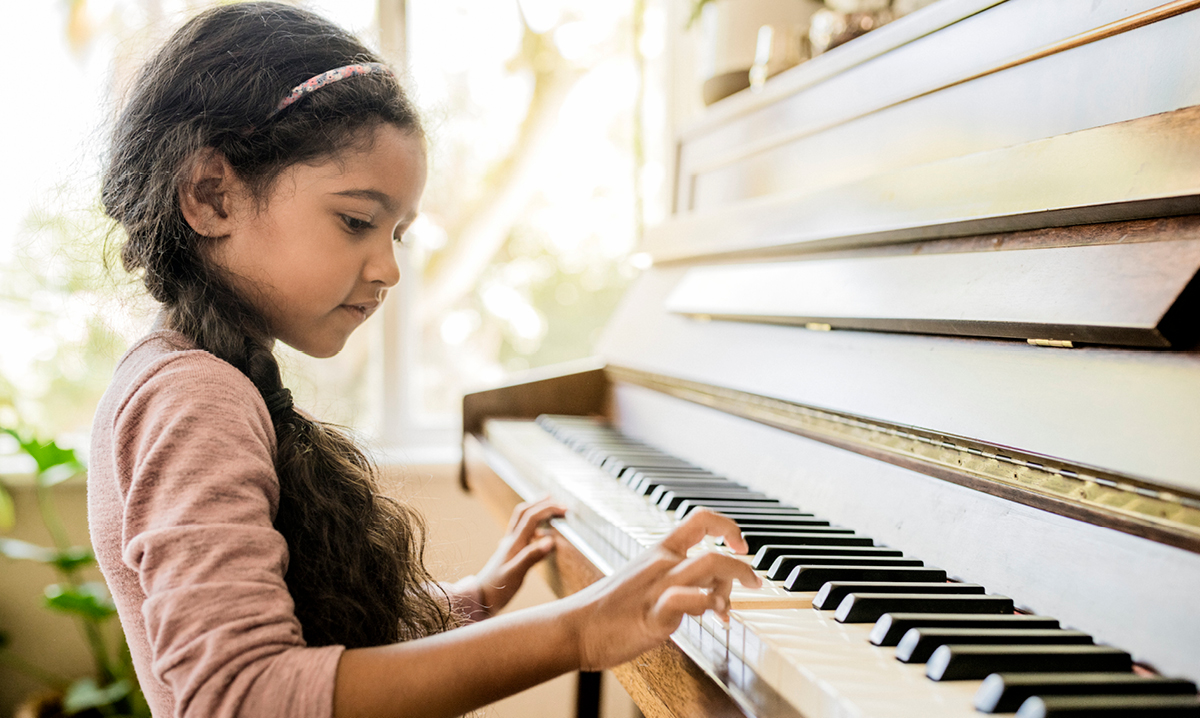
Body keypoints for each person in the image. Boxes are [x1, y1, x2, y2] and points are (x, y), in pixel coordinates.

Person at [89, 3, 760, 717]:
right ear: (210, 194)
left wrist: (474, 596)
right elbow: (244, 697)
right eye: (356, 221)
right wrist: (579, 631)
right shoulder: (196, 399)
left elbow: (312, 636)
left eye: (398, 233)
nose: (388, 268)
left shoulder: (191, 375)